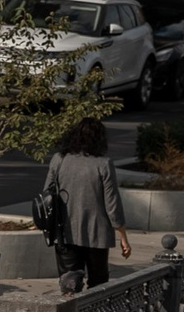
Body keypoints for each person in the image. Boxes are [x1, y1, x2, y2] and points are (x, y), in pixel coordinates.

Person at [42, 116, 129, 292]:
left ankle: (71, 308)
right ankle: (93, 310)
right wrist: (123, 237)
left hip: (65, 231)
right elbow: (112, 203)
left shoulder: (59, 159)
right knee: (98, 284)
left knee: (69, 283)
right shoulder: (103, 163)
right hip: (97, 233)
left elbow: (47, 194)